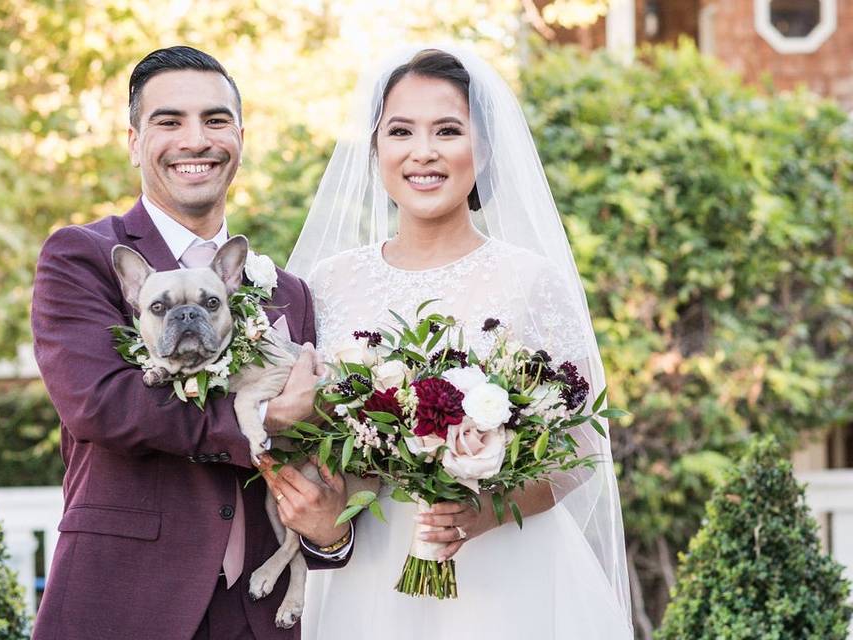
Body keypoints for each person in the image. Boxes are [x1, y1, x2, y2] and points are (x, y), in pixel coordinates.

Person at [286, 46, 634, 638]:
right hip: (365, 569)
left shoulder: (528, 281)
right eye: (401, 131)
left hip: (505, 574)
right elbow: (303, 437)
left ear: (485, 148)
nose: (423, 152)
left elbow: (580, 453)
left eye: (448, 130)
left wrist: (482, 512)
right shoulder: (327, 284)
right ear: (375, 149)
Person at [31, 46, 351, 640]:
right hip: (126, 598)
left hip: (262, 612)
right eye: (168, 121)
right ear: (133, 141)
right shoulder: (84, 257)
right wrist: (265, 421)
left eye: (215, 120)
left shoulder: (289, 291)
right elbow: (102, 406)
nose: (195, 140)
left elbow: (320, 447)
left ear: (240, 137)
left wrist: (332, 534)